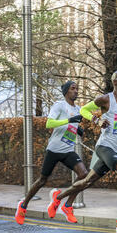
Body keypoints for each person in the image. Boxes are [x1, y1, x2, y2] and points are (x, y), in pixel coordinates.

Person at [48, 70, 117, 233]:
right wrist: (97, 120)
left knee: (87, 182)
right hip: (104, 146)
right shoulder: (105, 99)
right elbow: (83, 110)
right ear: (115, 82)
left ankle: (59, 198)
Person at [15, 80, 88, 225]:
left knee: (84, 175)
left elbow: (70, 126)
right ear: (66, 91)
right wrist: (69, 120)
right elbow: (49, 123)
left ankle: (67, 206)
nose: (76, 91)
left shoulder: (78, 109)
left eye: (77, 89)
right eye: (73, 88)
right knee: (42, 180)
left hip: (68, 150)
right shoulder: (59, 105)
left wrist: (77, 129)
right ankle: (23, 206)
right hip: (54, 149)